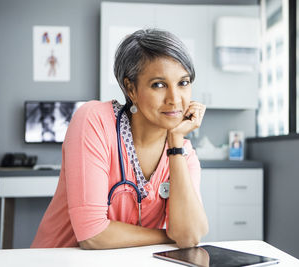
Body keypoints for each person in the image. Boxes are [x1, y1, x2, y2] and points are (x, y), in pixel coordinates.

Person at [31, 28, 209, 249]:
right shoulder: (94, 121)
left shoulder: (183, 153)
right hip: (60, 260)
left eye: (183, 83)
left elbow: (190, 236)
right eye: (159, 85)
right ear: (131, 89)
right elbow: (92, 235)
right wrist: (170, 235)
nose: (175, 99)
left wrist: (175, 142)